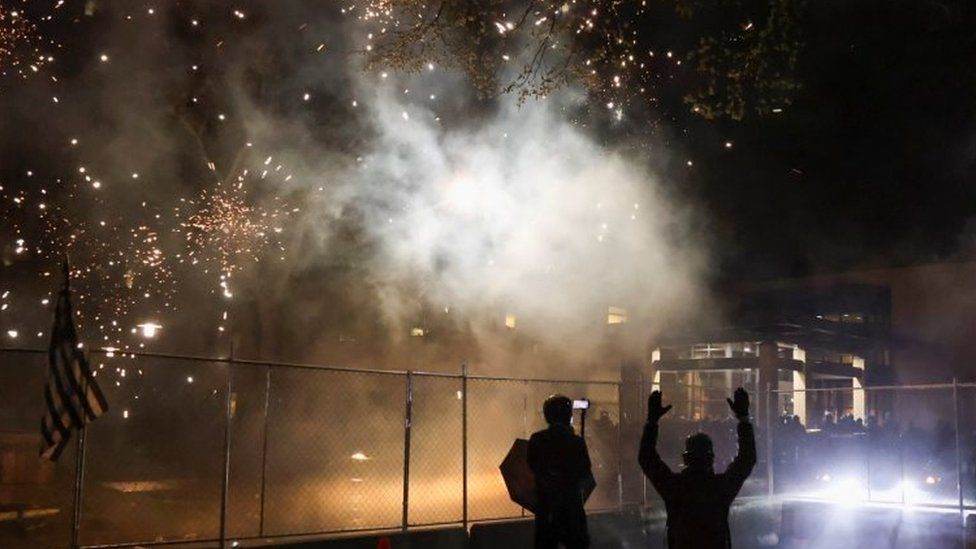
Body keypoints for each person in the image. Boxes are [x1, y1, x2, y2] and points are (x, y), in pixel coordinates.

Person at [638, 388, 756, 549]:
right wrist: (744, 419)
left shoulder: (675, 487)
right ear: (711, 459)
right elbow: (747, 459)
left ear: (686, 459)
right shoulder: (720, 488)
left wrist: (652, 422)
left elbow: (647, 458)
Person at [528, 394, 594, 549]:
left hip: (546, 506)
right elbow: (585, 470)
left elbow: (532, 464)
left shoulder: (537, 439)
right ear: (568, 415)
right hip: (571, 506)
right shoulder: (576, 442)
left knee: (545, 543)